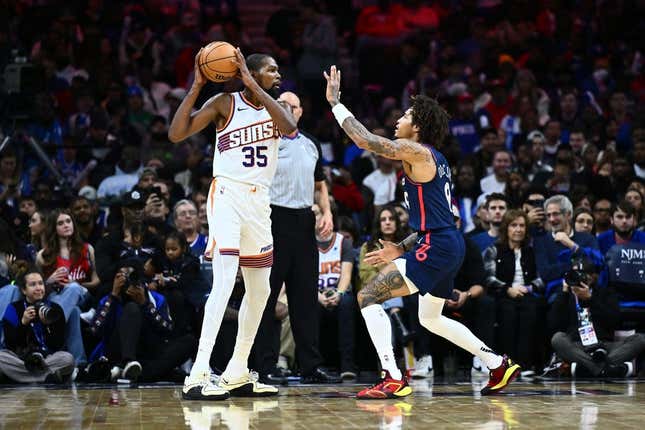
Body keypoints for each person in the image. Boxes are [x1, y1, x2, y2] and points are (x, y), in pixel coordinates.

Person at [323, 65, 520, 398]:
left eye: (405, 115)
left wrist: (335, 103)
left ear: (417, 127)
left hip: (439, 245)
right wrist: (401, 247)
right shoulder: (434, 158)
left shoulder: (415, 151)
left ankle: (392, 376)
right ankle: (496, 363)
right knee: (431, 319)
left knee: (368, 296)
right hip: (443, 242)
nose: (399, 118)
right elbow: (440, 217)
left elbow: (364, 140)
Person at [168, 47, 297, 400]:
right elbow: (177, 134)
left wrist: (256, 86)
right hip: (227, 194)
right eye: (272, 70)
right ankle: (197, 373)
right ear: (250, 71)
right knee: (224, 282)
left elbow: (289, 128)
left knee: (261, 291)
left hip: (260, 201)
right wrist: (196, 87)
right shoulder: (226, 103)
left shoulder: (277, 108)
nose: (278, 75)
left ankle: (237, 370)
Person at [251, 90, 339, 385]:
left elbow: (320, 184)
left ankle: (310, 366)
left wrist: (326, 212)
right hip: (272, 219)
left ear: (300, 112)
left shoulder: (311, 144)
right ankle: (264, 366)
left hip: (304, 220)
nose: (287, 108)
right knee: (267, 296)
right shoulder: (265, 141)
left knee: (304, 299)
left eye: (293, 105)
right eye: (282, 104)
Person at [483, 210, 544, 372]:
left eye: (522, 225)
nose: (518, 229)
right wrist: (507, 289)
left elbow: (541, 278)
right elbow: (488, 278)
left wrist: (528, 288)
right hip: (502, 294)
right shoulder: (494, 250)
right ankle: (508, 365)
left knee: (530, 312)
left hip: (526, 294)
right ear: (506, 228)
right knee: (507, 313)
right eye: (514, 225)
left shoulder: (531, 251)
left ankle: (526, 365)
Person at [0, 268, 74, 383]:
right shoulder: (13, 308)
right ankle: (46, 377)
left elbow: (58, 345)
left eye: (40, 283)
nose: (39, 288)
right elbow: (11, 345)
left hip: (48, 358)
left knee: (67, 358)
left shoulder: (55, 309)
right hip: (22, 358)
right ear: (24, 290)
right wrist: (23, 323)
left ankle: (20, 377)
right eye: (33, 285)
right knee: (1, 356)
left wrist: (48, 326)